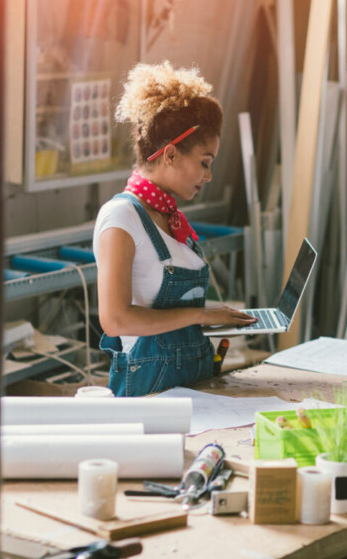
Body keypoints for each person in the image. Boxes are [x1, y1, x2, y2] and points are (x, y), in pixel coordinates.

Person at [93, 62, 256, 397]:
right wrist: (200, 315)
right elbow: (116, 320)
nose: (208, 176)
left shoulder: (172, 218)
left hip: (193, 388)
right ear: (169, 155)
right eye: (204, 163)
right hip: (147, 397)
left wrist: (214, 315)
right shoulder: (122, 217)